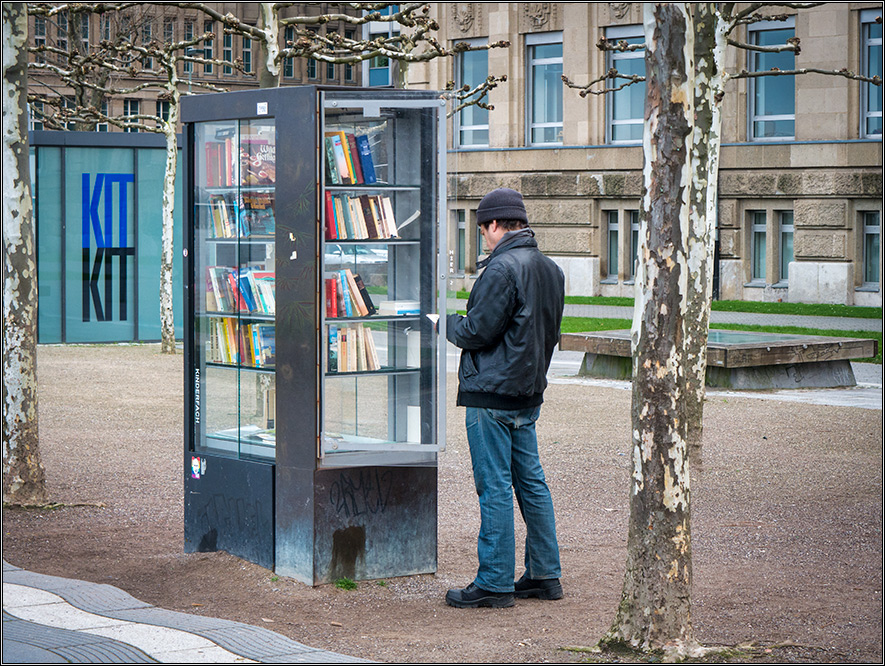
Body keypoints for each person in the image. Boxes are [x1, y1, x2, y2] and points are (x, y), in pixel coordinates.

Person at [443, 187, 565, 609]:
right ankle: (545, 575)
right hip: (528, 393)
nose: (483, 237)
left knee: (493, 486)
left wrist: (445, 322)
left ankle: (494, 582)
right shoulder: (550, 268)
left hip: (490, 394)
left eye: (482, 229)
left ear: (494, 225)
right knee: (532, 484)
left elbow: (476, 332)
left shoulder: (500, 270)